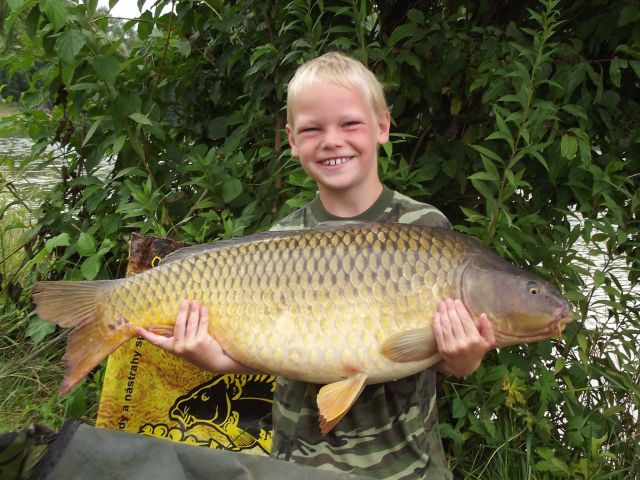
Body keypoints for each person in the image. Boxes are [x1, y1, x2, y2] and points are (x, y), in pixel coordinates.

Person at [136, 51, 495, 479]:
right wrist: (215, 359)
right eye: (312, 129)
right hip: (297, 464)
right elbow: (269, 347)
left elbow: (440, 356)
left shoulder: (427, 229)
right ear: (292, 139)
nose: (331, 140)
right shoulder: (281, 239)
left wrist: (466, 358)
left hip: (405, 467)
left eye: (350, 124)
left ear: (382, 126)